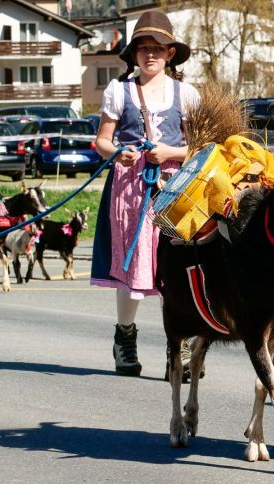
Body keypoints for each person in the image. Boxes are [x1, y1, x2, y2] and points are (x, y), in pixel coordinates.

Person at [91, 11, 199, 377]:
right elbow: (102, 140)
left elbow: (202, 147)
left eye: (157, 48)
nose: (150, 55)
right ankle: (125, 338)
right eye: (143, 48)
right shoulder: (118, 90)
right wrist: (116, 152)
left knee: (177, 269)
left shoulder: (186, 93)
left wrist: (170, 153)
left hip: (175, 189)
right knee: (134, 268)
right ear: (134, 54)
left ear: (171, 53)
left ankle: (180, 348)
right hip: (130, 189)